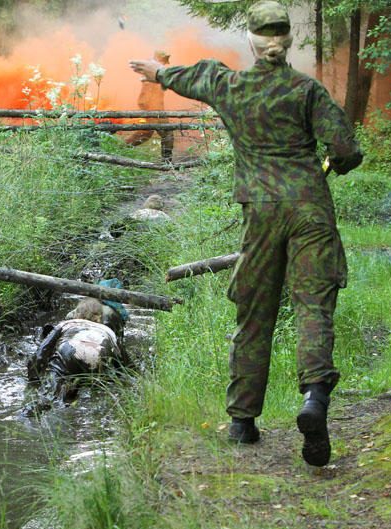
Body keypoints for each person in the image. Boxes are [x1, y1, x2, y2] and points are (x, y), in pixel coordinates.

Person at [129, 1, 362, 467]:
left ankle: (242, 422)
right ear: (288, 40)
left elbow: (192, 78)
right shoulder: (307, 91)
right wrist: (334, 164)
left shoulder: (229, 86)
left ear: (253, 42)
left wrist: (157, 73)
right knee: (313, 304)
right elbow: (346, 150)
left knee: (255, 309)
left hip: (260, 213)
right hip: (310, 210)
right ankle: (314, 399)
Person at [23, 297, 126, 416]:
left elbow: (41, 353)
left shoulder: (66, 324)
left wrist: (34, 379)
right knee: (95, 390)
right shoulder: (108, 331)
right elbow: (124, 364)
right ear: (99, 317)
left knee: (51, 395)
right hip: (99, 358)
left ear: (77, 313)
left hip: (69, 353)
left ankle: (38, 407)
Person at [124, 50, 174, 162]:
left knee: (148, 133)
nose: (166, 62)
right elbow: (146, 94)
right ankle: (167, 163)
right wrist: (147, 107)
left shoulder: (156, 70)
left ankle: (120, 149)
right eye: (165, 59)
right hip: (153, 108)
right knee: (165, 133)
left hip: (156, 108)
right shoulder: (152, 71)